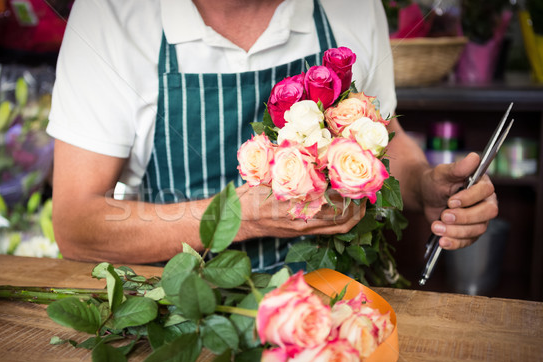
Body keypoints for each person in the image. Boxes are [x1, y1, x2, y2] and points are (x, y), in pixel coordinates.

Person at [47, 0, 497, 274]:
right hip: (186, 318)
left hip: (337, 313)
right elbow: (76, 225)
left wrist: (421, 184)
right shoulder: (111, 15)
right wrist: (242, 217)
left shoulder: (352, 7)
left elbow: (384, 136)